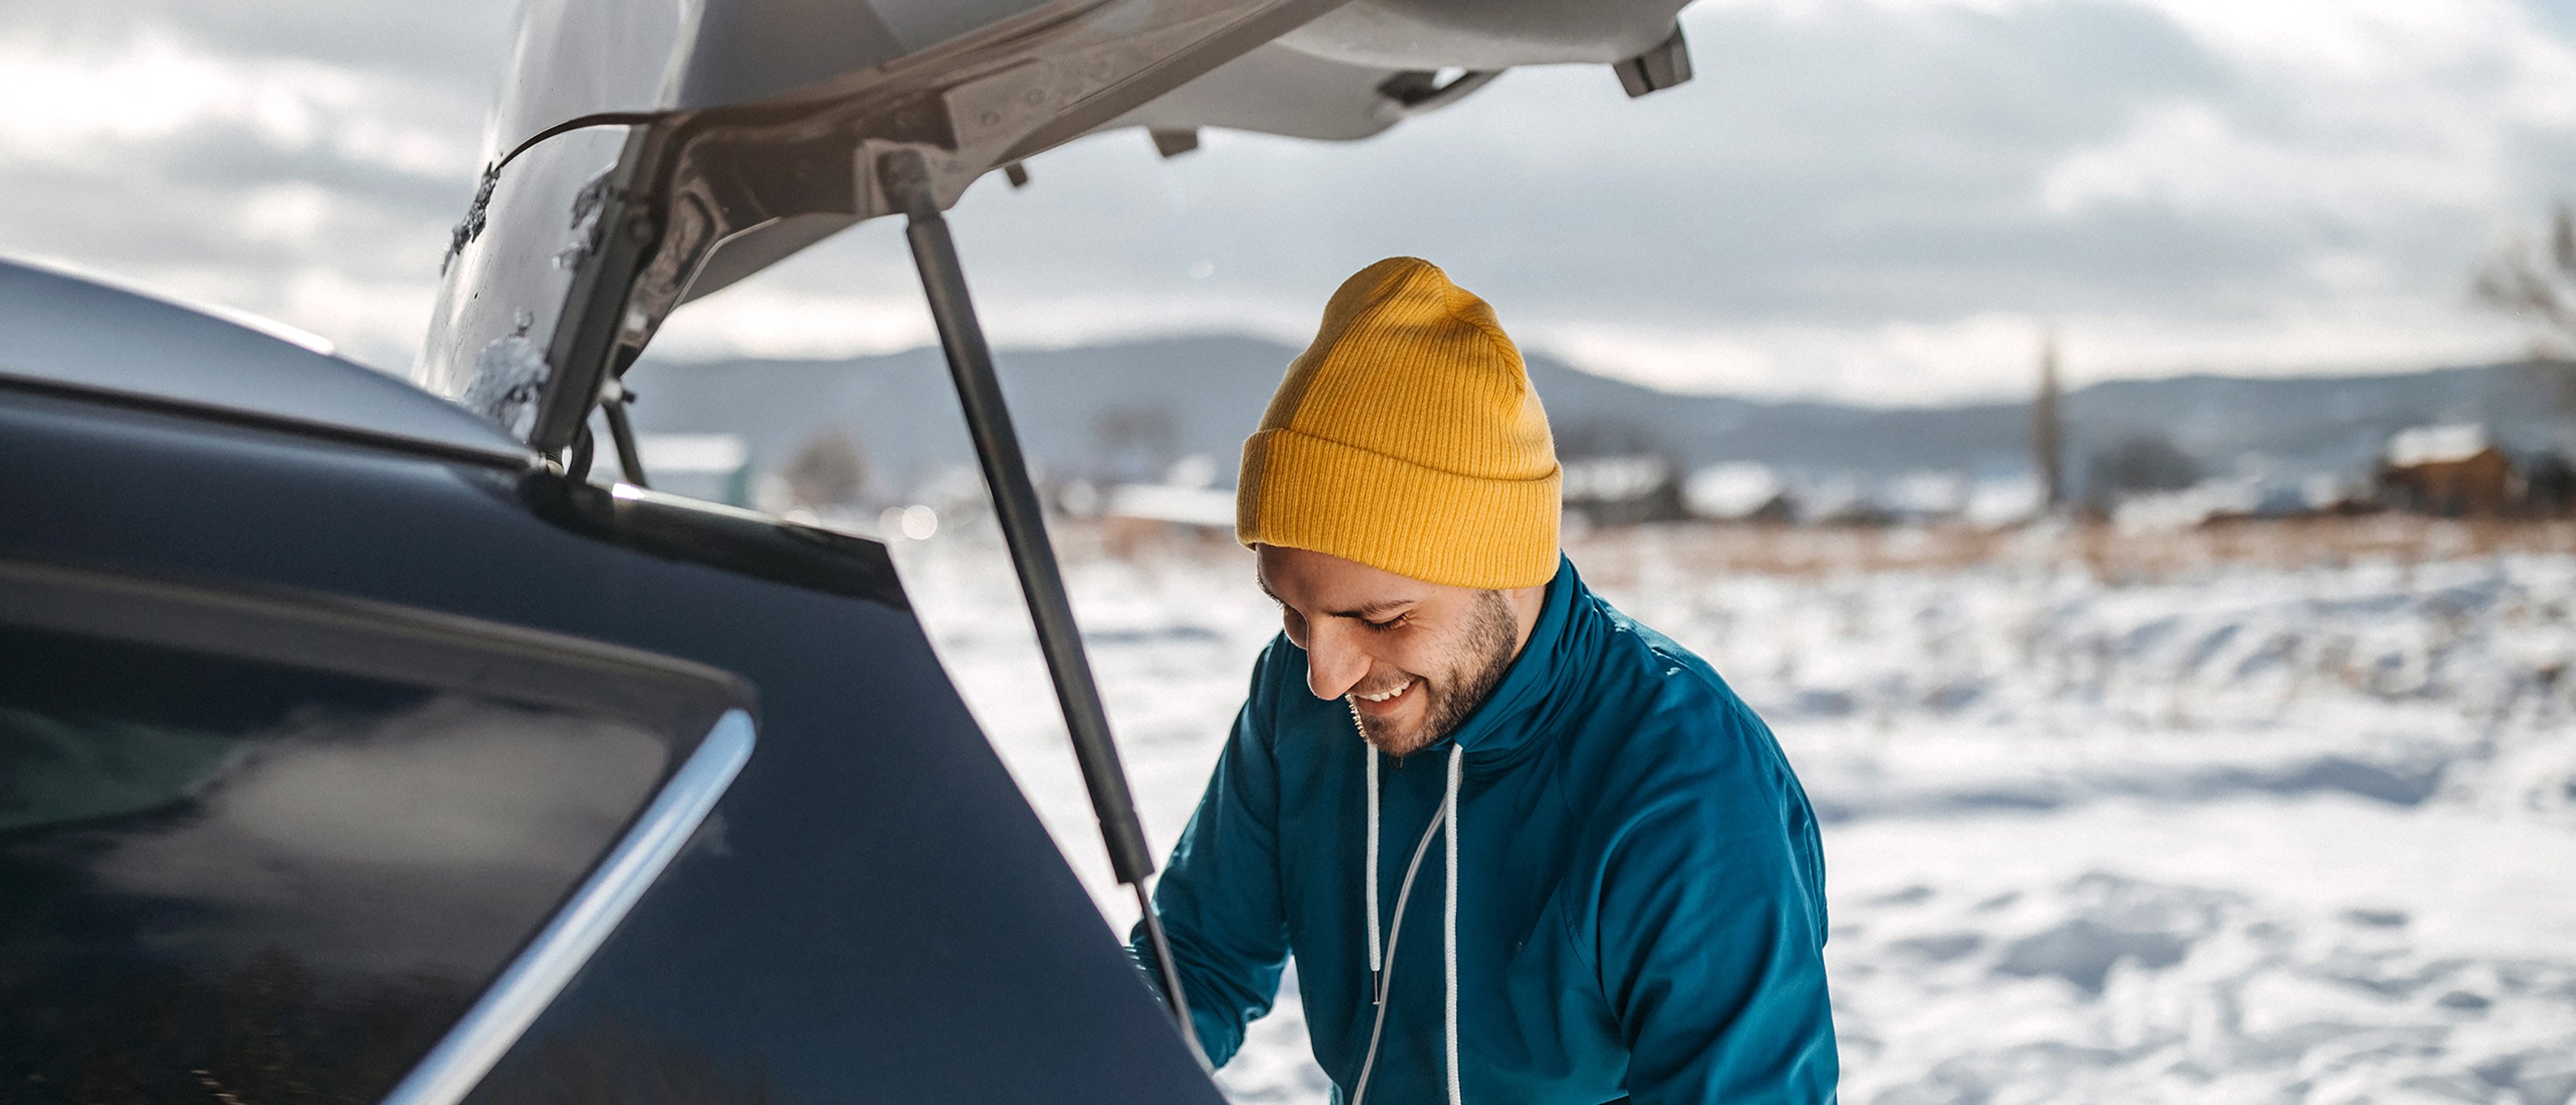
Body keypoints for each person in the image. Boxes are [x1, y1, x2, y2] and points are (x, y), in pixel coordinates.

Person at [1133, 257, 1836, 1103]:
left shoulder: (1686, 782)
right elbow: (1197, 960)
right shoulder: (1300, 693)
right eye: (1292, 613)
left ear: (1508, 568)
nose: (1324, 675)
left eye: (1380, 618)